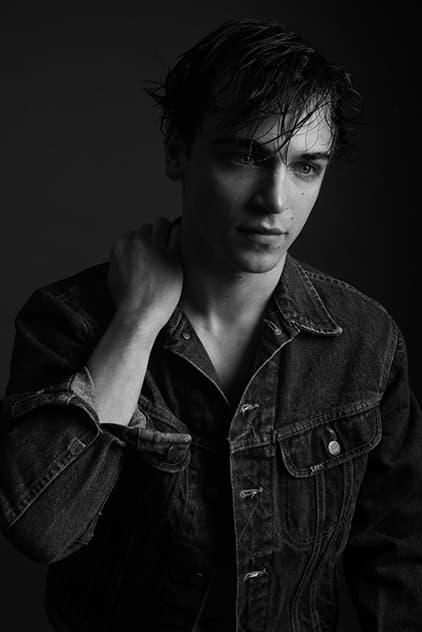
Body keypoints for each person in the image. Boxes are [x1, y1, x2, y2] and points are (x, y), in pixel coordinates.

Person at [0, 17, 421, 632]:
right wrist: (137, 322)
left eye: (307, 167)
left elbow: (402, 562)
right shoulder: (70, 320)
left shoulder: (366, 339)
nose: (275, 200)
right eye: (245, 156)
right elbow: (43, 528)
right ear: (178, 151)